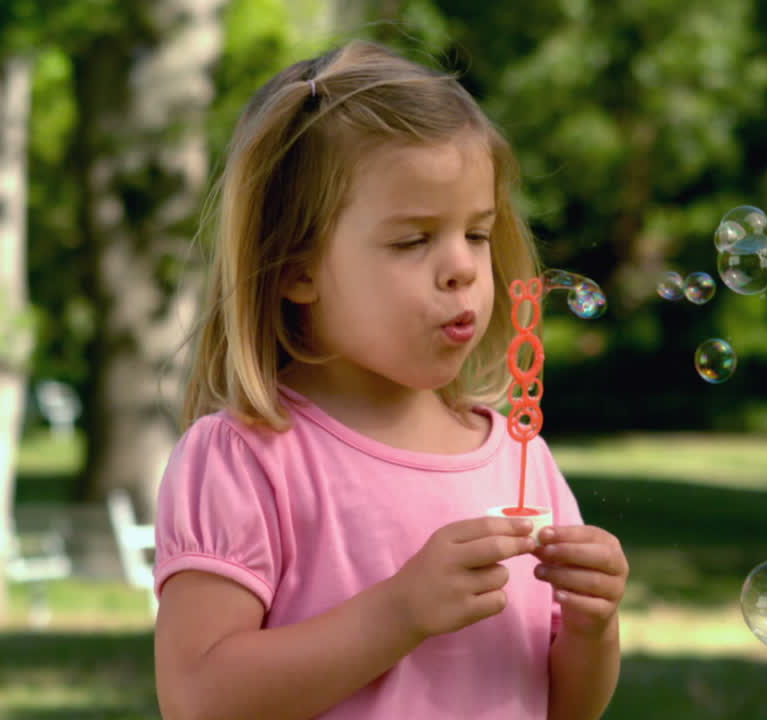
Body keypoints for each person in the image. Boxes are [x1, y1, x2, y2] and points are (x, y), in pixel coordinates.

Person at [153, 40, 628, 720]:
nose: (461, 268)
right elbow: (199, 700)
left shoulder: (523, 464)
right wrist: (401, 611)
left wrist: (593, 627)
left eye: (478, 234)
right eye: (413, 240)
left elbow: (566, 708)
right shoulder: (248, 460)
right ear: (296, 268)